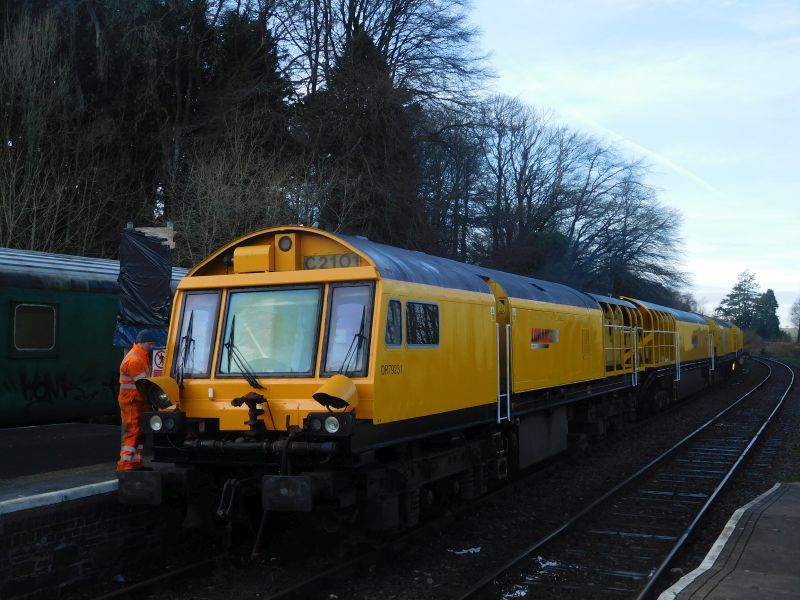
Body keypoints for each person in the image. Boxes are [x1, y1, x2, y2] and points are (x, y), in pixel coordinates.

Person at [117, 329, 156, 471]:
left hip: (139, 401)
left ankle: (136, 462)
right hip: (132, 402)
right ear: (142, 343)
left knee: (140, 432)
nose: (152, 347)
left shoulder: (142, 357)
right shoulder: (134, 360)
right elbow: (143, 384)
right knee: (133, 431)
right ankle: (125, 464)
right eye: (150, 344)